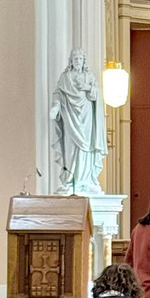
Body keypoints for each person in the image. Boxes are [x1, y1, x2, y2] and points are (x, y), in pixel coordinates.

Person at [51, 49, 107, 195]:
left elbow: (98, 94)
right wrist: (56, 106)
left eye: (80, 59)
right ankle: (70, 181)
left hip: (87, 117)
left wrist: (88, 88)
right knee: (70, 149)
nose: (78, 61)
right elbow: (58, 93)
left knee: (86, 148)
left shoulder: (89, 77)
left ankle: (86, 181)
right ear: (71, 61)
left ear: (84, 61)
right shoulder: (65, 77)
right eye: (75, 59)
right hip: (70, 116)